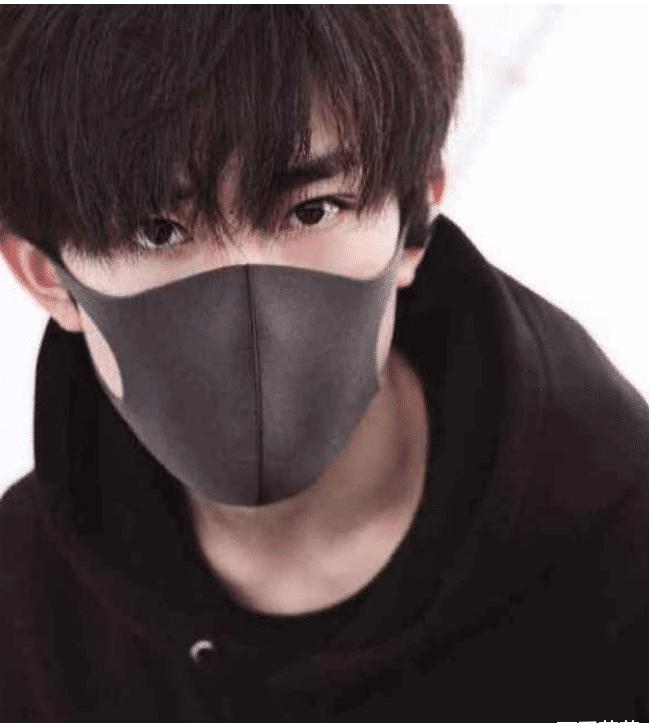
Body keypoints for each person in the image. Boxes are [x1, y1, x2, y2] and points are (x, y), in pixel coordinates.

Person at [0, 7, 646, 723]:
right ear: (46, 276)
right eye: (158, 230)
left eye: (312, 210)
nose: (247, 298)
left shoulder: (626, 559)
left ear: (412, 221)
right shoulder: (22, 618)